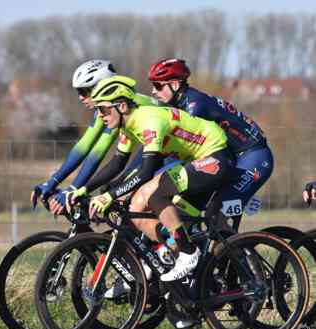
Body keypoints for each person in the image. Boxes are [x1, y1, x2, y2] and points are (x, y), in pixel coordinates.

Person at [73, 75, 233, 283]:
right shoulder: (128, 124)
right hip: (195, 160)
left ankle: (187, 252)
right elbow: (117, 163)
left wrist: (109, 196)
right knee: (137, 204)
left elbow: (147, 170)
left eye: (103, 109)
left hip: (215, 157)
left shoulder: (148, 121)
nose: (100, 115)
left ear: (121, 106)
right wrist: (84, 188)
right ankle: (158, 258)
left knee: (157, 196)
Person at [148, 58, 272, 222]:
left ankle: (232, 246)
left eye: (158, 85)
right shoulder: (179, 105)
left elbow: (178, 151)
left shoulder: (194, 106)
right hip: (229, 158)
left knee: (217, 216)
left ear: (175, 85)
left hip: (252, 156)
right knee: (186, 211)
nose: (153, 91)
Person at [31, 59, 160, 215]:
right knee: (110, 193)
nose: (80, 98)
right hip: (152, 149)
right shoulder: (104, 110)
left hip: (169, 149)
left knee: (123, 200)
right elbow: (84, 146)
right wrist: (51, 183)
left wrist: (72, 190)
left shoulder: (119, 107)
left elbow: (98, 152)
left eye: (84, 92)